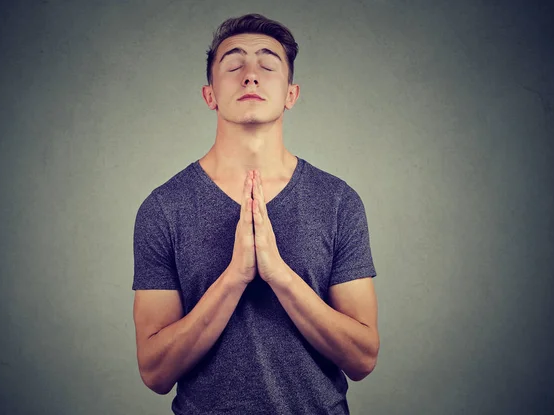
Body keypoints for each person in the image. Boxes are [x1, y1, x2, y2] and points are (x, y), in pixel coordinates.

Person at [132, 13, 379, 415]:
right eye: (233, 64)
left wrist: (280, 274)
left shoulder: (337, 201)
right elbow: (155, 372)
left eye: (267, 65)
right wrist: (235, 278)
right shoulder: (164, 208)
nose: (250, 75)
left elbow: (363, 358)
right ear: (209, 94)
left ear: (291, 94)